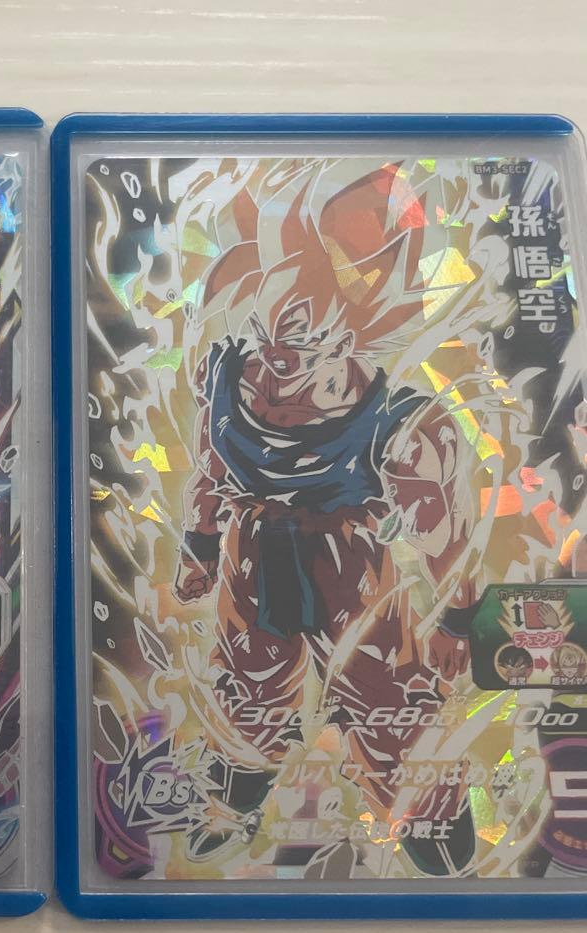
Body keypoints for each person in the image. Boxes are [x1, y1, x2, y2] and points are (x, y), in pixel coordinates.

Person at [175, 166, 479, 875]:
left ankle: (427, 814)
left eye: (296, 356)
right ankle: (234, 800)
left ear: (345, 342)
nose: (274, 376)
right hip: (253, 551)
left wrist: (457, 619)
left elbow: (444, 530)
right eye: (266, 351)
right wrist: (199, 545)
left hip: (351, 563)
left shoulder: (398, 420)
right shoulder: (225, 376)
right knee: (247, 683)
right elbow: (210, 470)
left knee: (385, 690)